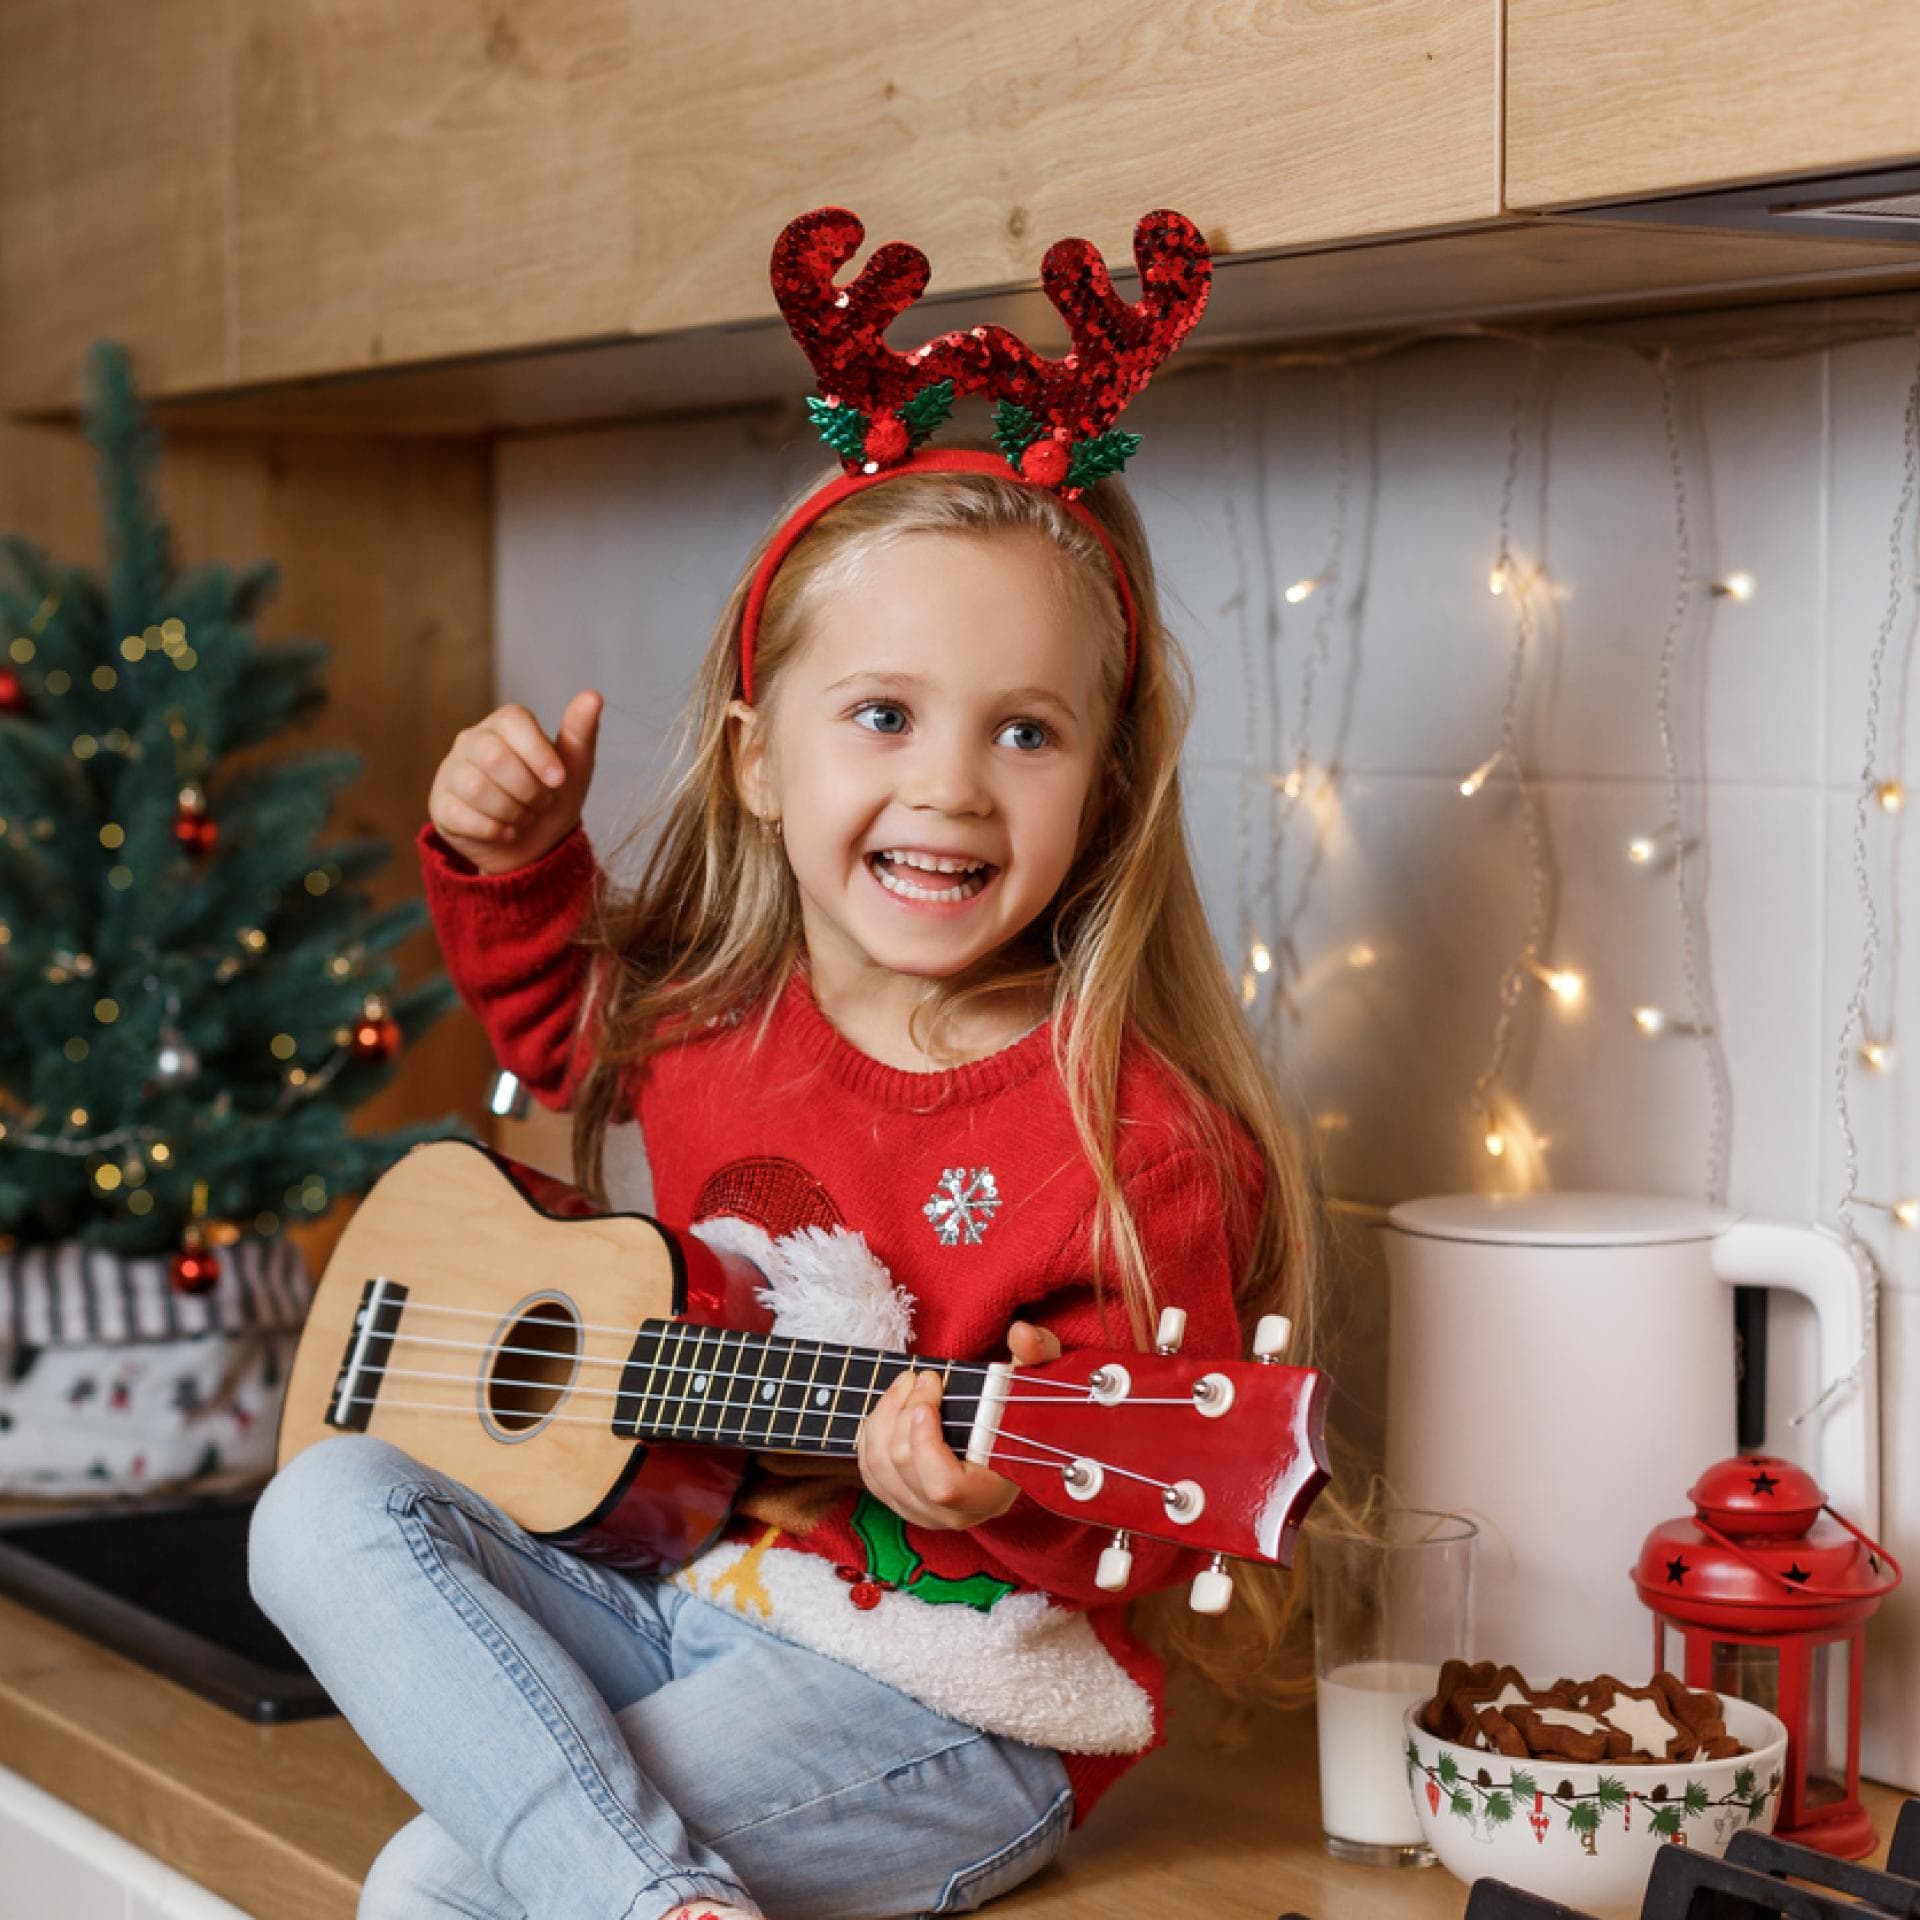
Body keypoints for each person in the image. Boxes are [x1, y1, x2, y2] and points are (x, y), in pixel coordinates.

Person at [250, 207, 1330, 1920]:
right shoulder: (722, 1016)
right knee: (315, 1506)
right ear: (761, 760)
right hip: (683, 1590)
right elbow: (557, 1026)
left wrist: (991, 1495)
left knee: (445, 1888)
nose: (951, 788)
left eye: (1025, 731)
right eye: (884, 715)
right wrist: (515, 857)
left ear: (1104, 793)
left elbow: (1141, 1515)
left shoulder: (1136, 1139)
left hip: (947, 1706)